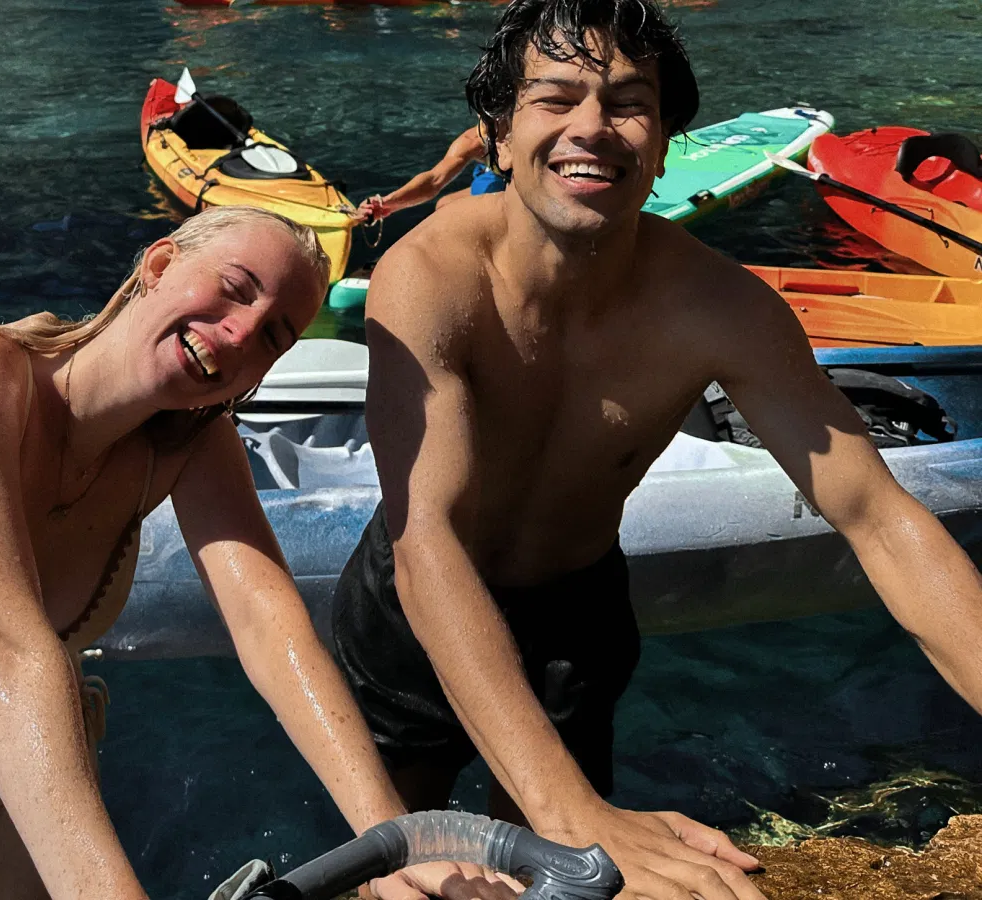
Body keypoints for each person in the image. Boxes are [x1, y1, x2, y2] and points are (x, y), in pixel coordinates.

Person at [331, 1, 982, 899]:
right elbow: (425, 539)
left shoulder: (720, 307)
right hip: (418, 604)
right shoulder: (433, 275)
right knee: (406, 860)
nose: (592, 126)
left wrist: (564, 817)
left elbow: (878, 517)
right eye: (555, 98)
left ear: (667, 144)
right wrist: (570, 808)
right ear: (499, 137)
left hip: (576, 616)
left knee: (565, 878)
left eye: (629, 103)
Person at [0, 206, 521, 900]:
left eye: (273, 336)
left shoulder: (191, 447)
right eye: (235, 289)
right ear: (159, 265)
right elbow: (2, 648)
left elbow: (271, 629)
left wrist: (395, 841)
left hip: (4, 795)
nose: (240, 333)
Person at [356, 124, 502, 222]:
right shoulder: (473, 140)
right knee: (444, 206)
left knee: (488, 208)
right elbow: (434, 180)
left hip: (510, 183)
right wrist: (389, 202)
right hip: (499, 176)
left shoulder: (511, 136)